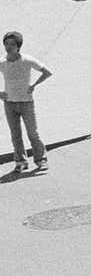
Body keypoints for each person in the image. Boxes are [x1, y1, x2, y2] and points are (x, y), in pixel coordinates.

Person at [2, 31, 52, 173]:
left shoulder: (27, 60)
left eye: (12, 44)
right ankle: (20, 161)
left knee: (32, 133)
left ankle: (41, 160)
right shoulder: (2, 62)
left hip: (26, 103)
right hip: (9, 103)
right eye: (6, 44)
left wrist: (34, 85)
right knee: (15, 134)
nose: (8, 47)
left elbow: (47, 72)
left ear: (18, 45)